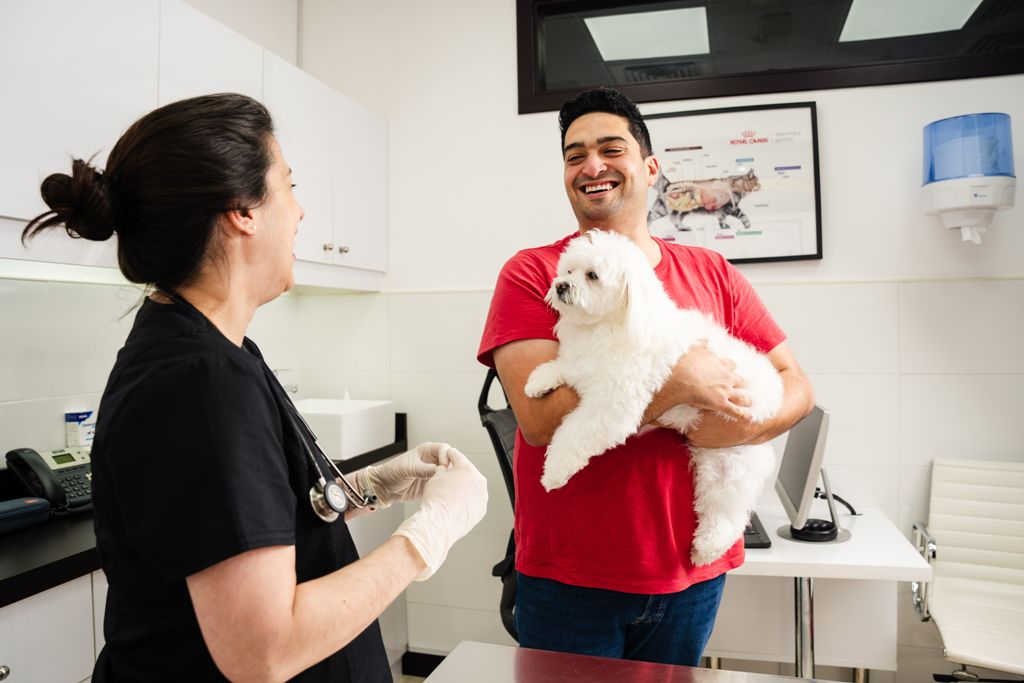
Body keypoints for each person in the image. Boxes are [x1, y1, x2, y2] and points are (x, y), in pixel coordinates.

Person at [23, 93, 488, 682]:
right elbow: (263, 651)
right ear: (242, 208)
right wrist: (428, 535)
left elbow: (244, 523)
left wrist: (369, 488)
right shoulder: (202, 381)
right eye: (289, 186)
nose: (300, 213)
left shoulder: (217, 350)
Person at [476, 87, 813, 666]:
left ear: (650, 167)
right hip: (571, 579)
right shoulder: (533, 274)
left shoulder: (712, 272)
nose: (592, 166)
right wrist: (679, 387)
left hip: (692, 576)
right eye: (574, 154)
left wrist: (738, 428)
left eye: (611, 148)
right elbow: (535, 422)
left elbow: (797, 388)